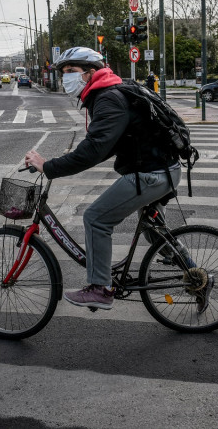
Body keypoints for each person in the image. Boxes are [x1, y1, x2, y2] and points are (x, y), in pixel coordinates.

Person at [24, 46, 181, 310]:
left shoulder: (108, 99)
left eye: (71, 72)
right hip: (162, 169)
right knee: (155, 230)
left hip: (151, 174)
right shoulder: (110, 92)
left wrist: (49, 166)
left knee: (95, 218)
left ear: (90, 73)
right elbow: (105, 144)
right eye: (64, 72)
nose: (66, 78)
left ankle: (100, 288)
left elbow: (93, 151)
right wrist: (66, 159)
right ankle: (193, 272)